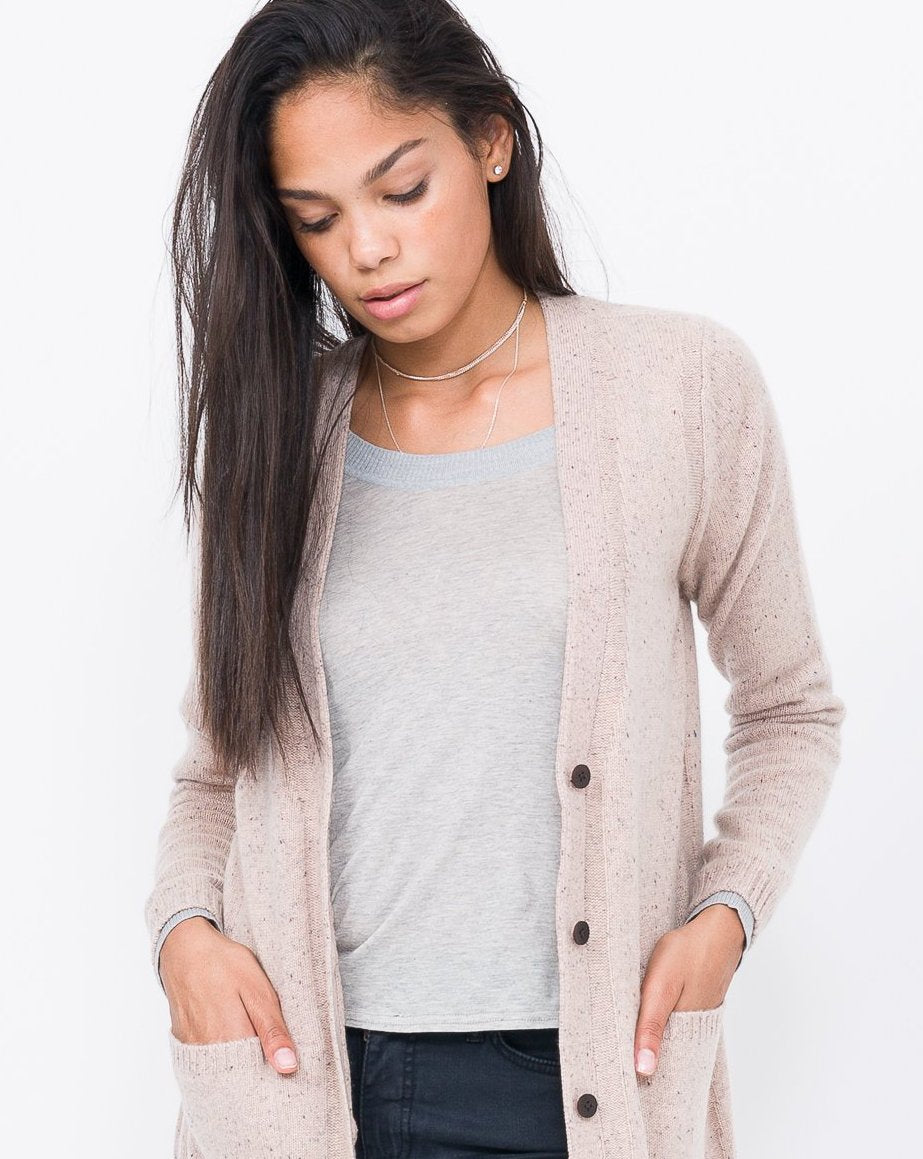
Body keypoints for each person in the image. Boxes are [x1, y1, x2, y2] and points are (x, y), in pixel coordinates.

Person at [144, 2, 846, 1157]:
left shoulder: (681, 388)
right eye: (317, 218)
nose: (366, 249)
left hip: (577, 1082)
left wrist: (728, 912)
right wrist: (182, 932)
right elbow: (215, 767)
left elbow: (790, 709)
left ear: (490, 141)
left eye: (400, 190)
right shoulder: (279, 434)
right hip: (302, 1083)